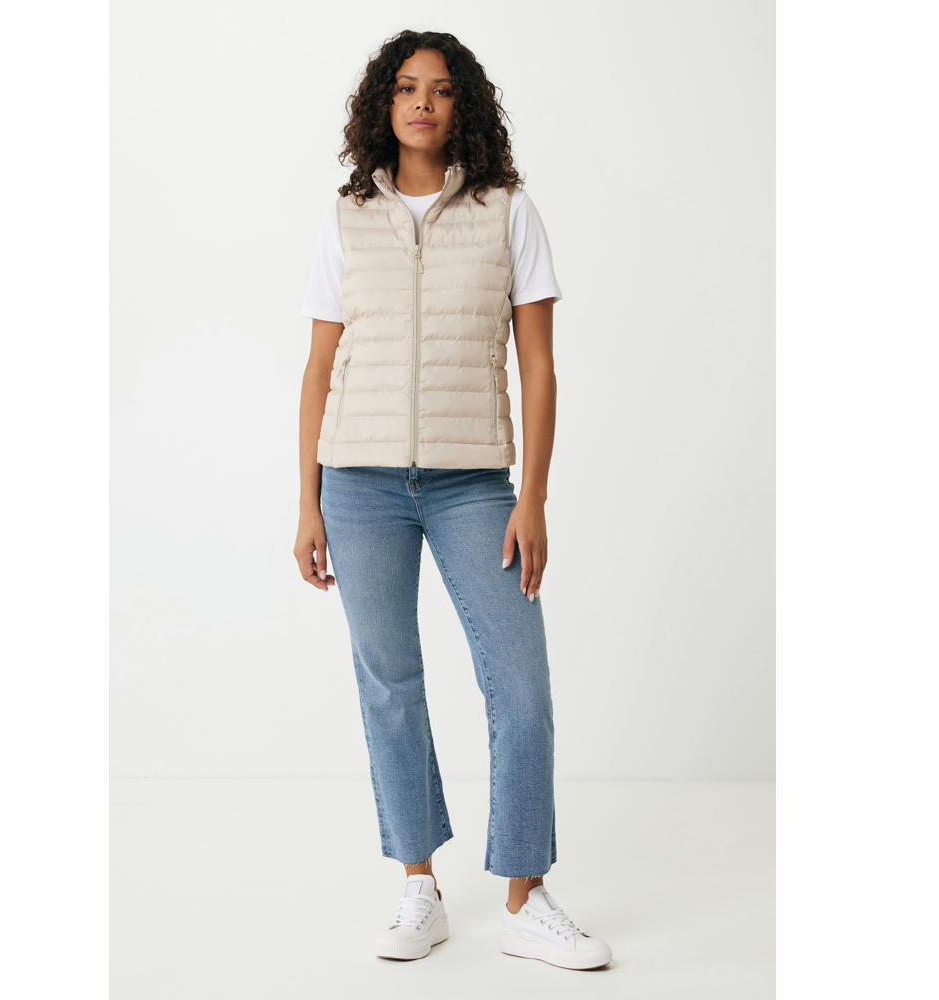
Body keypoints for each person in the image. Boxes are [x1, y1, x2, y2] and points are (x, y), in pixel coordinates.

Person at [294, 30, 613, 972]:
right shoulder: (348, 217)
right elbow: (316, 369)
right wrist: (308, 501)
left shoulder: (507, 210)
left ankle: (525, 896)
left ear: (462, 104)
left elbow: (538, 365)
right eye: (405, 88)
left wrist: (533, 496)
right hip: (357, 483)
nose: (422, 103)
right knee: (389, 684)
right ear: (383, 106)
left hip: (476, 482)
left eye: (438, 89)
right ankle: (418, 886)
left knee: (520, 686)